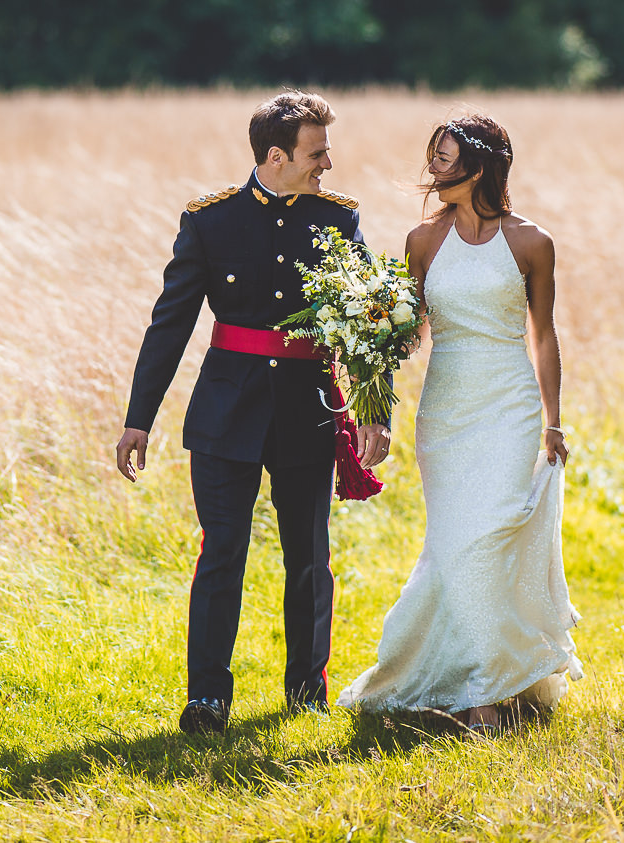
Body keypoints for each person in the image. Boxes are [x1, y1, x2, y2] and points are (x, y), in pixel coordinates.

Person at [117, 91, 391, 737]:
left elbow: (372, 320)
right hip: (224, 411)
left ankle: (307, 690)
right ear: (276, 155)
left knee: (308, 556)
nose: (328, 162)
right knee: (222, 555)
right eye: (316, 151)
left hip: (307, 409)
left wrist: (374, 410)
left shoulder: (338, 219)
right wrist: (139, 417)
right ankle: (207, 697)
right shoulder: (209, 220)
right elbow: (171, 324)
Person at [336, 113, 582, 734]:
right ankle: (471, 674)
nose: (433, 170)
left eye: (444, 159)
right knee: (454, 543)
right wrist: (372, 391)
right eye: (433, 158)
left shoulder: (532, 243)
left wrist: (554, 421)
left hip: (510, 408)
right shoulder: (423, 241)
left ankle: (485, 692)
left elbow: (543, 335)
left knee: (490, 536)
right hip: (446, 411)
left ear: (479, 165)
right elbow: (396, 335)